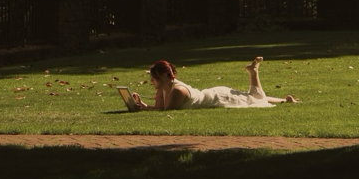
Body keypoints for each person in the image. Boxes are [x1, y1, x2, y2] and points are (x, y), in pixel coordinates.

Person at [120, 56, 299, 111]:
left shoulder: (177, 91)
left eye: (153, 77)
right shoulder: (162, 90)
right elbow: (159, 109)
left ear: (163, 76)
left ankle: (254, 72)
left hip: (218, 97)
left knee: (255, 99)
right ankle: (285, 101)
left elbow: (166, 111)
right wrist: (143, 106)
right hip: (212, 93)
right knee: (252, 98)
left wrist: (144, 109)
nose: (150, 81)